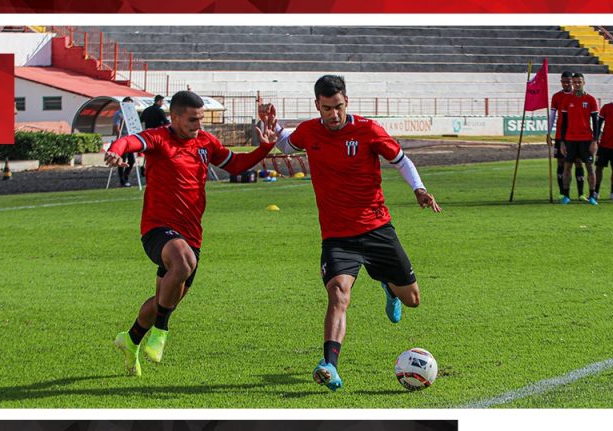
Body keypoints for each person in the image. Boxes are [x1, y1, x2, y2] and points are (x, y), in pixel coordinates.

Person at [265, 75, 441, 391]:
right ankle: (329, 364)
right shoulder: (310, 131)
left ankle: (389, 285)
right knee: (338, 294)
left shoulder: (368, 130)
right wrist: (275, 127)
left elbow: (401, 160)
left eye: (339, 107)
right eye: (327, 108)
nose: (334, 115)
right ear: (317, 105)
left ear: (347, 100)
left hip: (376, 229)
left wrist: (419, 189)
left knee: (412, 299)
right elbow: (286, 143)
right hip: (337, 236)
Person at [105, 91, 278, 376]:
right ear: (174, 117)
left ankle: (131, 339)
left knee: (165, 298)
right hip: (157, 229)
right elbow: (131, 141)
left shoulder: (205, 142)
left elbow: (234, 164)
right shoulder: (159, 138)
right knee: (184, 263)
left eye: (201, 119)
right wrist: (116, 149)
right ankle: (161, 332)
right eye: (192, 119)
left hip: (191, 234)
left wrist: (265, 148)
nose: (198, 125)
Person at [559, 72, 600, 205]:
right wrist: (563, 142)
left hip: (586, 139)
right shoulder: (567, 100)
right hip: (570, 139)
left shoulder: (591, 100)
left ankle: (592, 195)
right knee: (567, 167)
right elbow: (563, 123)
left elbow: (596, 122)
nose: (577, 84)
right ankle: (566, 195)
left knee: (589, 167)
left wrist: (595, 141)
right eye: (574, 82)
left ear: (583, 83)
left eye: (579, 82)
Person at [547, 71, 585, 199]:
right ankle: (563, 193)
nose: (566, 84)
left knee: (578, 162)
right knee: (561, 163)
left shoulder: (580, 96)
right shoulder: (556, 97)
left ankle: (581, 193)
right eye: (563, 81)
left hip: (576, 136)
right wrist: (548, 132)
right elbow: (552, 116)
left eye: (568, 81)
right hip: (560, 136)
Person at [113, 97, 136, 187]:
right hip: (123, 138)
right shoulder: (119, 114)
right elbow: (116, 126)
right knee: (122, 159)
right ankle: (122, 180)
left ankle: (125, 177)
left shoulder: (131, 114)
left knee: (131, 160)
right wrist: (120, 138)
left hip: (130, 139)